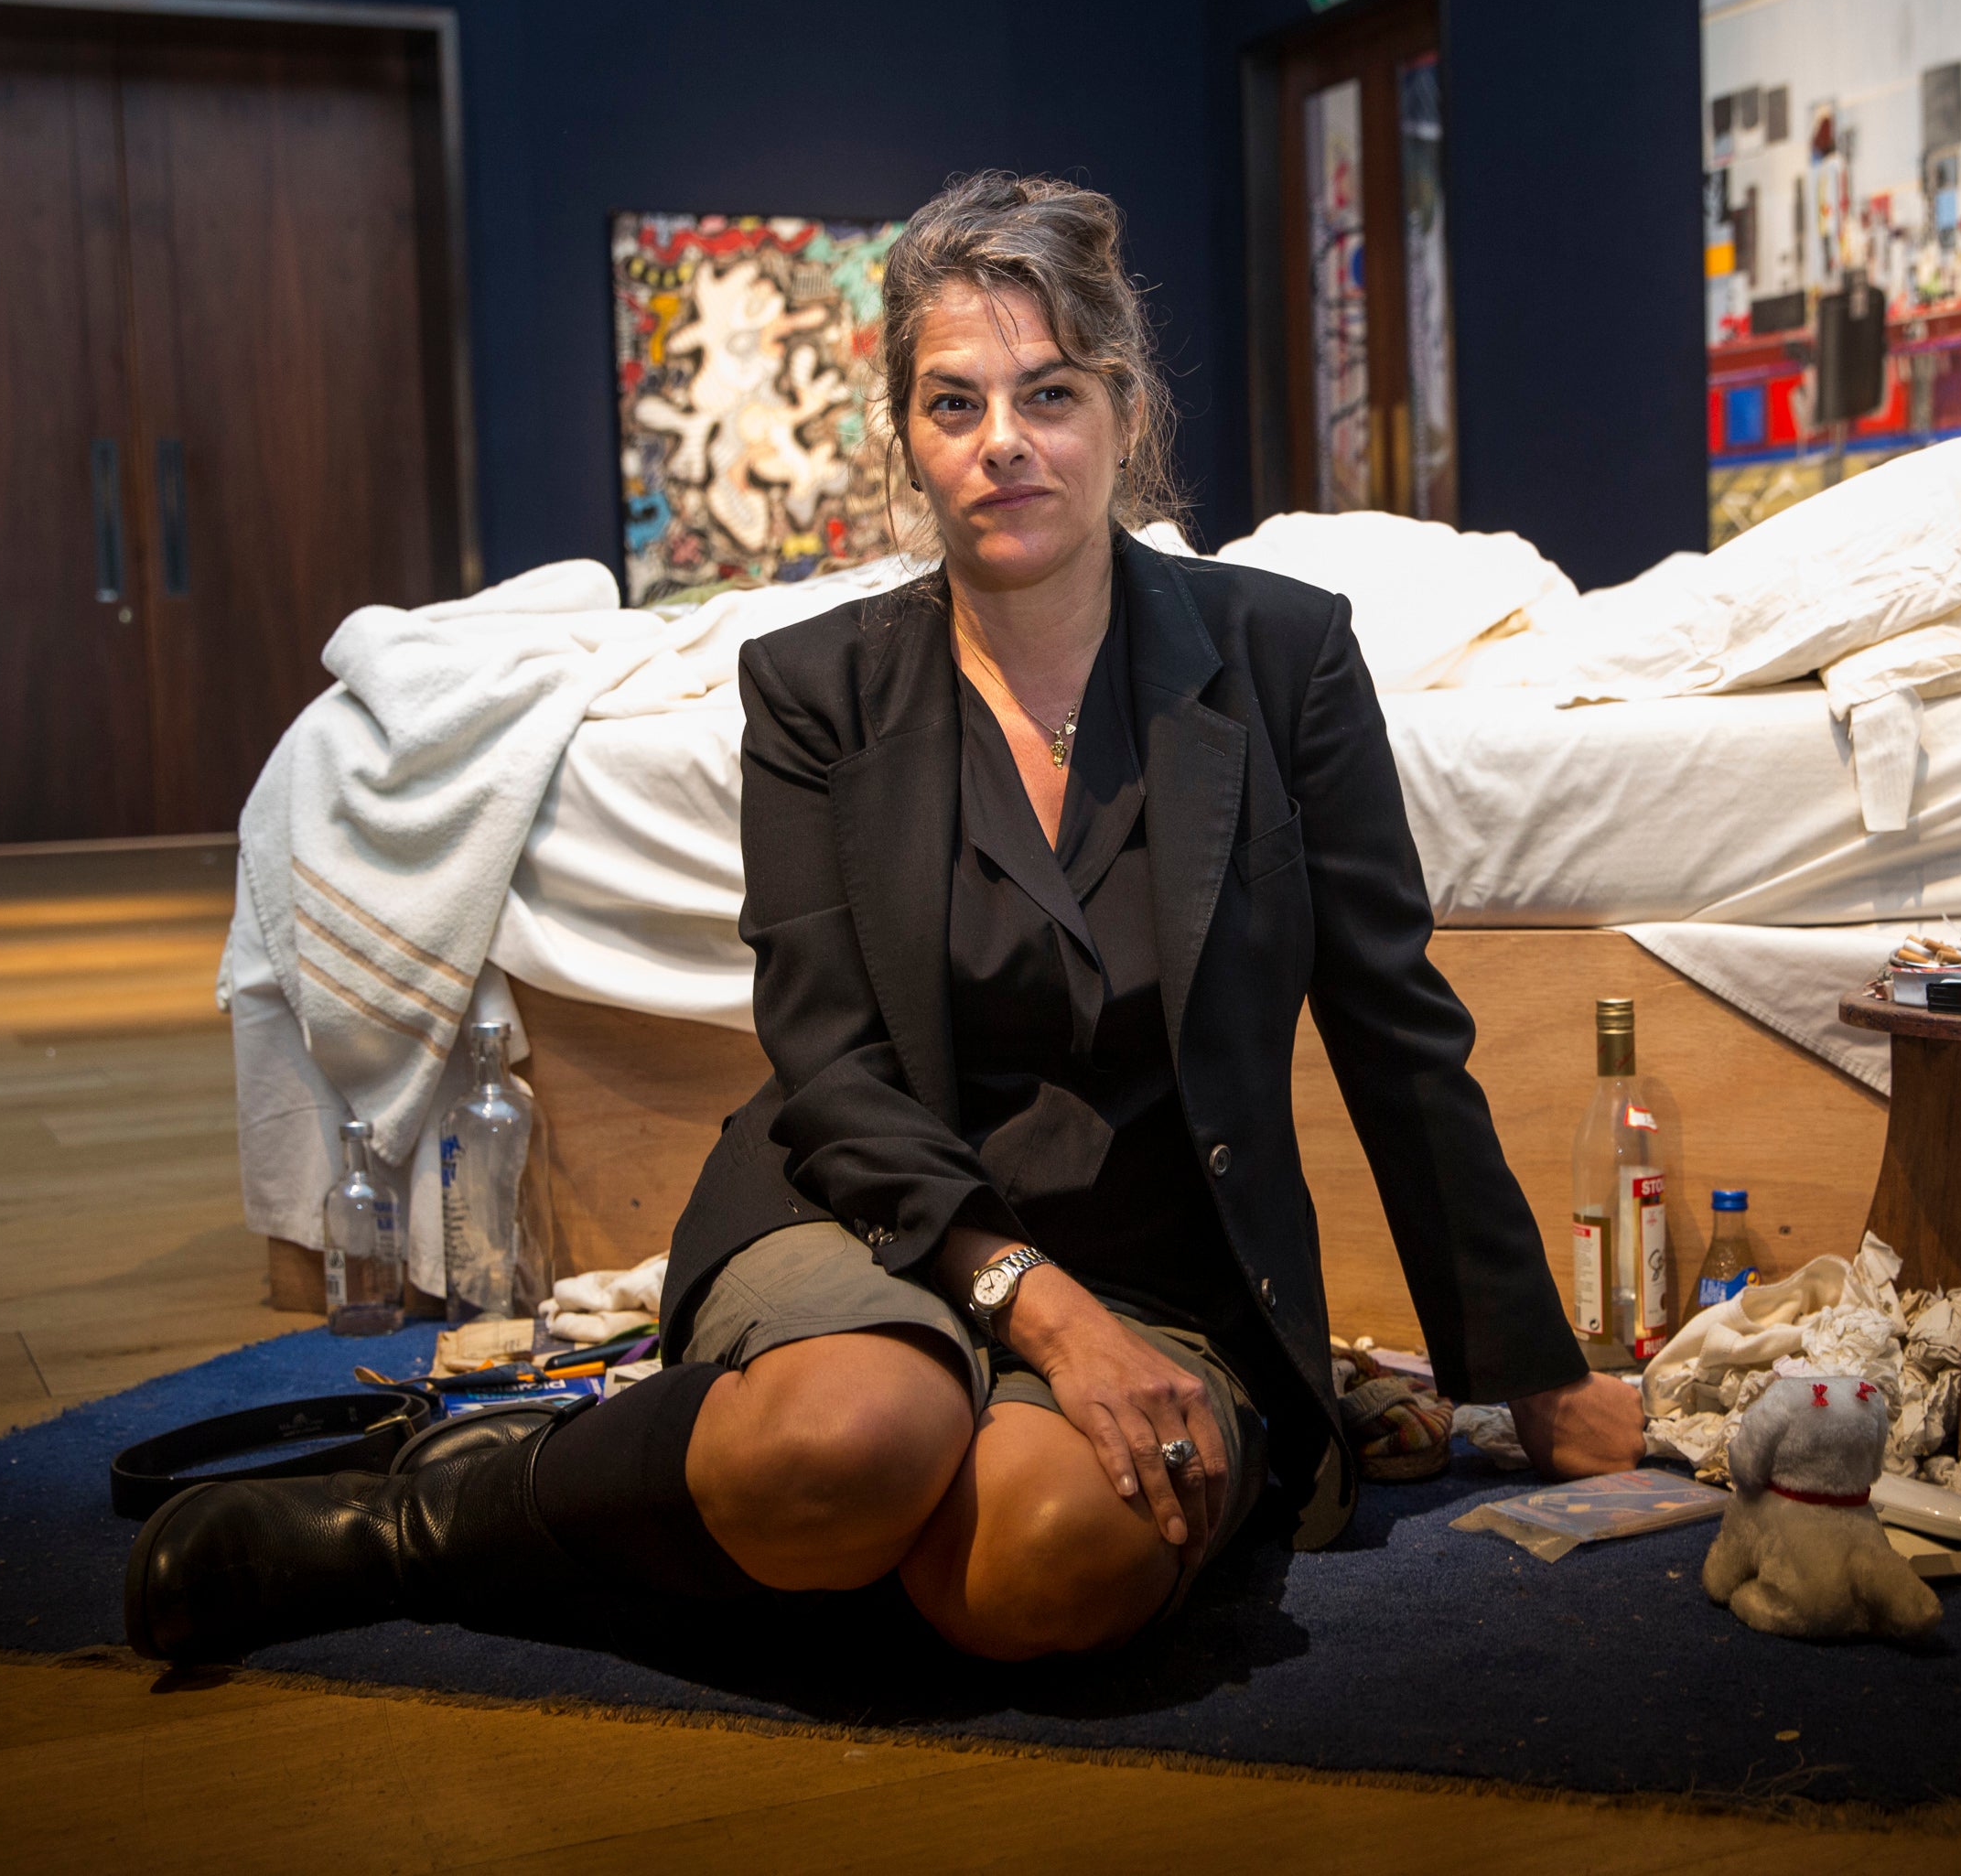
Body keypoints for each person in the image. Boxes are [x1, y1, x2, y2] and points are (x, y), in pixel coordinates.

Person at [124, 171, 1643, 1667]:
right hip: (870, 1214)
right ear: (907, 439)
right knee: (850, 1442)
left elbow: (1397, 1028)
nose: (1006, 448)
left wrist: (1530, 1375)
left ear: (1124, 411)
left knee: (1036, 1574)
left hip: (1166, 1274)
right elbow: (833, 1065)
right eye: (956, 403)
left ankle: (772, 1503)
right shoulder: (814, 693)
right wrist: (1030, 1312)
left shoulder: (1287, 660)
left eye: (1049, 396)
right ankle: (423, 1520)